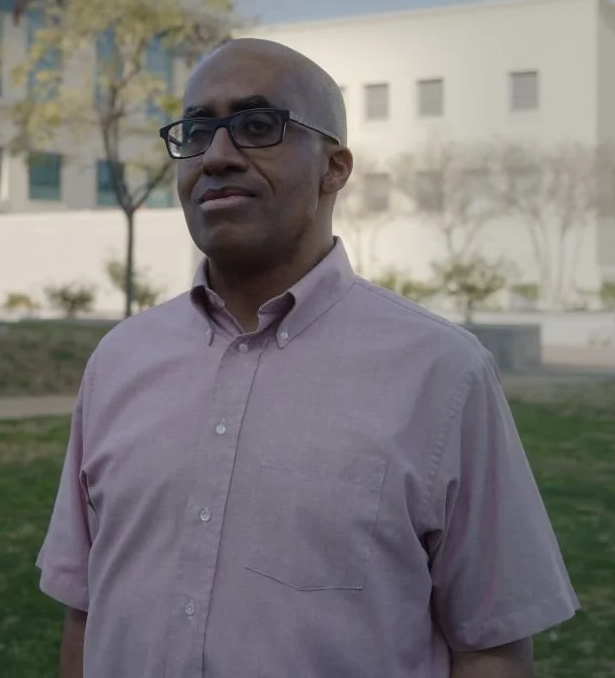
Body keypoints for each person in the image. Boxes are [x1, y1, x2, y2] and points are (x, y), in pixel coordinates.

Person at [37, 37, 579, 678]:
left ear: (335, 168)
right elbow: (86, 612)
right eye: (198, 131)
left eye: (256, 126)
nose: (216, 156)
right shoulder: (119, 362)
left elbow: (491, 644)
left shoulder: (441, 372)